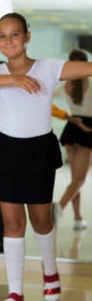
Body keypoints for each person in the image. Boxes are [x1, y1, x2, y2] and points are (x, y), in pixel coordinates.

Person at [0, 12, 92, 301]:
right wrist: (12, 78)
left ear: (27, 37)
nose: (8, 41)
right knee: (12, 223)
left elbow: (88, 67)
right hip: (5, 151)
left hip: (38, 151)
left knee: (41, 221)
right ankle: (15, 294)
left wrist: (23, 76)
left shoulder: (48, 67)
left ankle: (50, 273)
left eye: (15, 34)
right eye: (2, 35)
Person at [0, 90, 88, 252]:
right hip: (21, 150)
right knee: (16, 199)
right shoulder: (20, 96)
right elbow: (51, 109)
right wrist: (69, 118)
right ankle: (9, 237)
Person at [54, 49, 92, 230]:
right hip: (87, 129)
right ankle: (58, 208)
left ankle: (78, 218)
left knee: (74, 179)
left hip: (72, 127)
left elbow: (47, 97)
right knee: (79, 180)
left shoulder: (65, 85)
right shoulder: (90, 82)